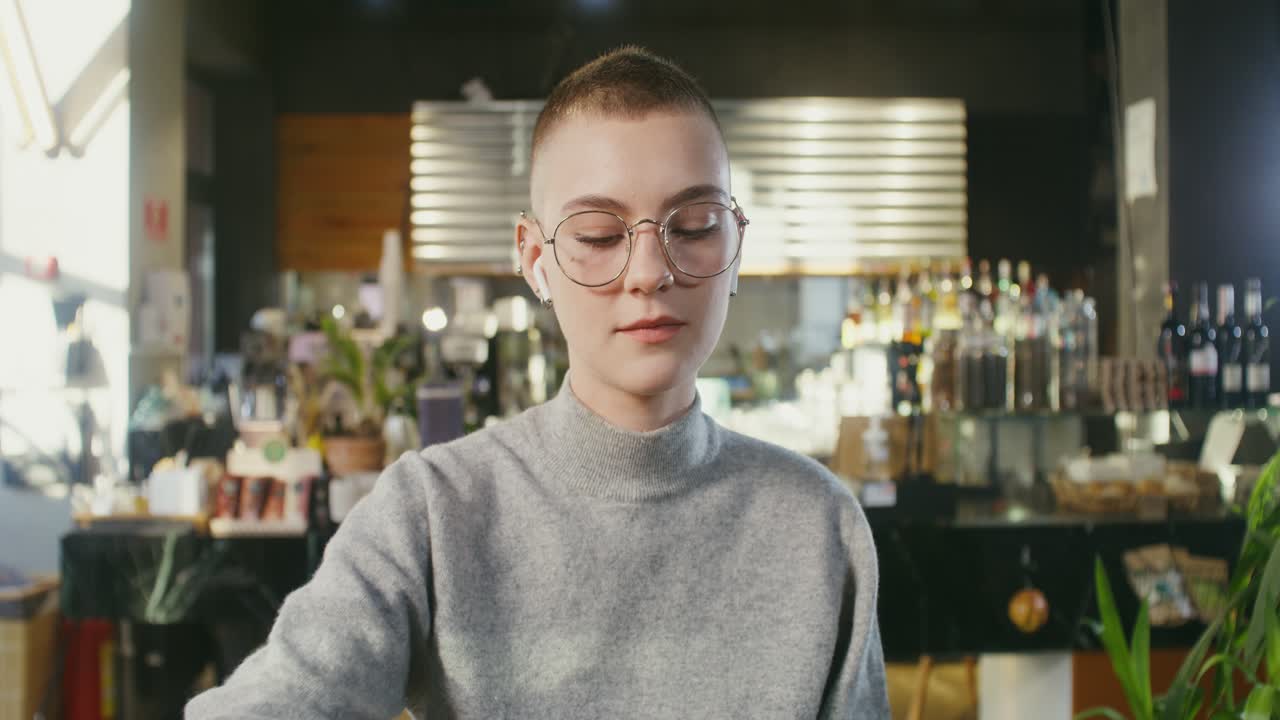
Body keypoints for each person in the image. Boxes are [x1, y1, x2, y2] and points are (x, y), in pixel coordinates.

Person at [186, 46, 888, 719]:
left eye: (695, 225)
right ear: (535, 259)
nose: (648, 272)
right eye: (599, 235)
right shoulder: (431, 514)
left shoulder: (819, 527)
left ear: (735, 247)